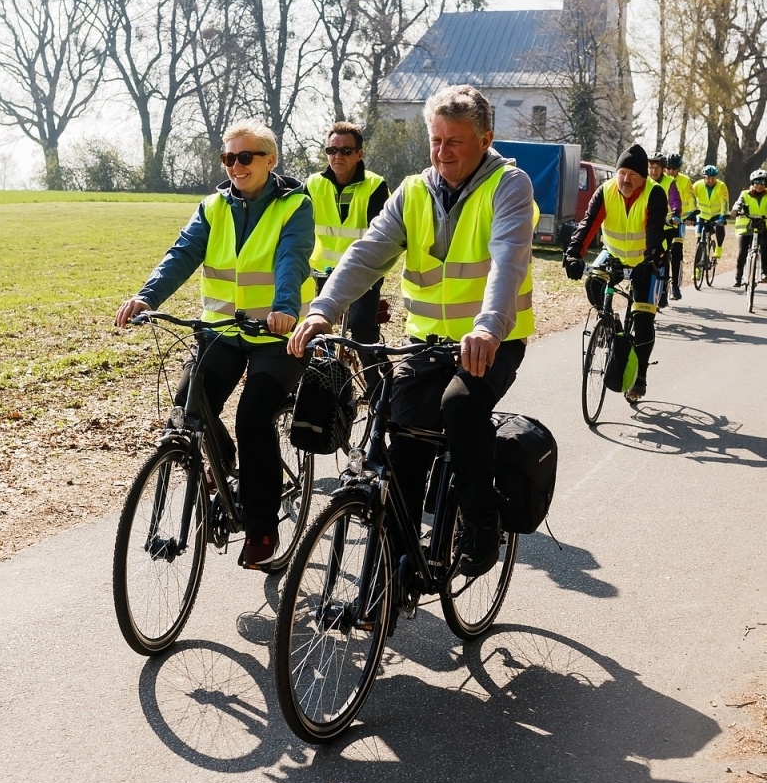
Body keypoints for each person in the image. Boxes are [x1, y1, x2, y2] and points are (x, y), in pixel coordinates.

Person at [288, 85, 534, 581]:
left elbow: (507, 261)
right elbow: (367, 253)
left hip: (493, 341)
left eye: (455, 142)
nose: (441, 153)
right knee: (398, 449)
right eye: (435, 140)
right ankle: (396, 575)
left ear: (485, 138)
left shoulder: (509, 185)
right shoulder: (414, 190)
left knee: (460, 407)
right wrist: (323, 310)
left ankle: (481, 518)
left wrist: (487, 327)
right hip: (425, 343)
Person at [116, 120, 314, 569]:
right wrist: (147, 295)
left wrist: (285, 305)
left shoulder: (294, 206)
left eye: (246, 157)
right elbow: (183, 253)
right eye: (229, 158)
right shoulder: (213, 207)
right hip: (222, 329)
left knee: (253, 414)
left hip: (274, 334)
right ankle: (218, 457)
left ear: (270, 159)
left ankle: (262, 526)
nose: (236, 166)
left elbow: (292, 257)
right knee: (188, 403)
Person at [564, 143, 666, 403]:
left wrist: (650, 258)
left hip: (646, 260)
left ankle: (639, 376)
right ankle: (611, 324)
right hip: (615, 255)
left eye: (633, 175)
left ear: (643, 177)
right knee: (593, 284)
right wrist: (573, 254)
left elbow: (655, 230)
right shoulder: (605, 191)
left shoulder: (654, 193)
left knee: (643, 321)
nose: (626, 179)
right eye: (622, 173)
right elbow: (588, 224)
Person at [307, 121, 388, 346]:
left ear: (359, 154)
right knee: (317, 333)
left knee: (362, 329)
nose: (337, 156)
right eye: (331, 150)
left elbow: (381, 237)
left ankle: (377, 380)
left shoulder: (376, 186)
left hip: (362, 273)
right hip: (320, 273)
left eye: (346, 151)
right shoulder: (313, 184)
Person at [649, 152, 684, 304]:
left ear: (663, 169)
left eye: (656, 168)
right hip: (648, 224)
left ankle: (665, 289)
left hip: (667, 225)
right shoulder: (644, 181)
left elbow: (675, 199)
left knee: (667, 254)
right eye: (650, 167)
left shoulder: (669, 182)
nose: (653, 171)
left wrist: (675, 214)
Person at [731, 170, 767, 286]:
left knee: (765, 246)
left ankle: (764, 273)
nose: (759, 185)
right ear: (752, 183)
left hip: (763, 227)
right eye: (756, 182)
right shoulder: (745, 194)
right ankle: (738, 276)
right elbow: (738, 203)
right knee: (742, 252)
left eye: (762, 183)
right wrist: (735, 210)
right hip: (746, 228)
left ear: (766, 184)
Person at [693, 164, 730, 267]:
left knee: (719, 226)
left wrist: (723, 217)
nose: (710, 181)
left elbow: (725, 202)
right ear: (704, 177)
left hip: (716, 214)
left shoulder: (721, 186)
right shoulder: (697, 185)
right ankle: (697, 269)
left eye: (713, 178)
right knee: (698, 238)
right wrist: (691, 214)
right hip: (701, 214)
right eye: (708, 178)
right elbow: (691, 199)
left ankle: (718, 247)